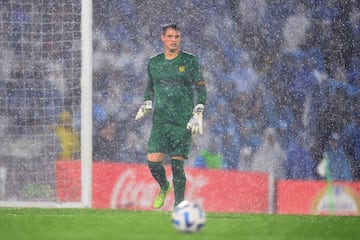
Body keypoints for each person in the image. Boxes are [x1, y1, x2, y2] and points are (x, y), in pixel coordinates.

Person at [135, 24, 207, 209]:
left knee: (177, 165)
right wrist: (147, 102)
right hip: (161, 121)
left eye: (177, 36)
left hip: (182, 121)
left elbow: (201, 88)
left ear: (180, 39)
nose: (174, 39)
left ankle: (178, 205)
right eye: (170, 36)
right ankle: (164, 186)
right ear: (163, 38)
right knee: (152, 161)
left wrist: (198, 110)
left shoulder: (189, 61)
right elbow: (150, 87)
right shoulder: (154, 62)